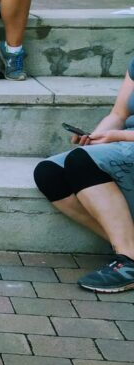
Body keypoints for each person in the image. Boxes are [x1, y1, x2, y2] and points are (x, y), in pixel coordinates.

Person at [33, 57, 134, 293]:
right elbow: (118, 114)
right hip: (125, 141)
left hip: (128, 141)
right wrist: (96, 137)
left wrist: (119, 138)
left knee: (81, 162)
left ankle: (129, 261)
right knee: (50, 173)